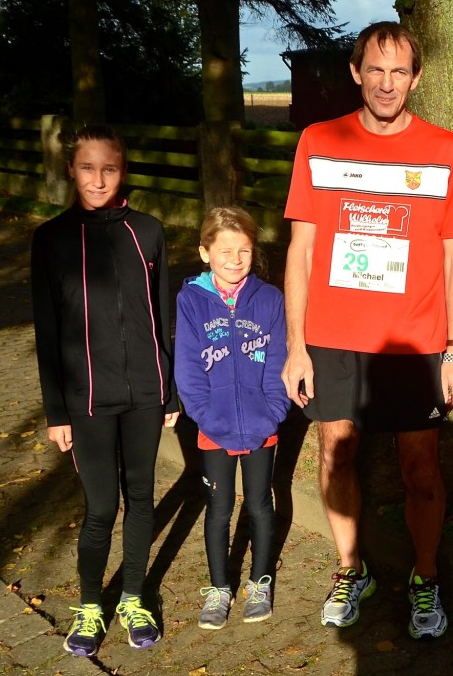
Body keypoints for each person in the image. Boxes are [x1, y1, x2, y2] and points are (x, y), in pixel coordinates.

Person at [281, 21, 453, 639]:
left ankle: (424, 578)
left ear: (415, 78)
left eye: (399, 72)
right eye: (376, 69)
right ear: (355, 72)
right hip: (333, 338)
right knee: (333, 454)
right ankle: (351, 570)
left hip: (414, 343)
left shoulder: (445, 149)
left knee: (420, 468)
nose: (387, 83)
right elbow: (300, 252)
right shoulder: (319, 140)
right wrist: (295, 347)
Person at [31, 125, 179, 656]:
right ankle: (91, 604)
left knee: (140, 497)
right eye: (88, 167)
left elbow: (164, 317)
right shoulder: (50, 239)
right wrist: (56, 412)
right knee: (101, 506)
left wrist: (171, 392)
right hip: (86, 398)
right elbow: (47, 330)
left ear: (124, 172)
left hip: (145, 392)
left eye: (109, 168)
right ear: (71, 170)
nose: (98, 178)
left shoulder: (149, 232)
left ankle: (134, 596)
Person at [174, 207, 289, 629]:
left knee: (260, 505)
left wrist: (273, 413)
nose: (235, 259)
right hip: (214, 429)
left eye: (244, 250)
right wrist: (206, 417)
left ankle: (260, 582)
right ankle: (220, 588)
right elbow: (187, 369)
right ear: (205, 252)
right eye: (225, 250)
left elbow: (279, 361)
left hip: (262, 426)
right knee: (219, 508)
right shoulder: (190, 300)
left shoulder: (270, 299)